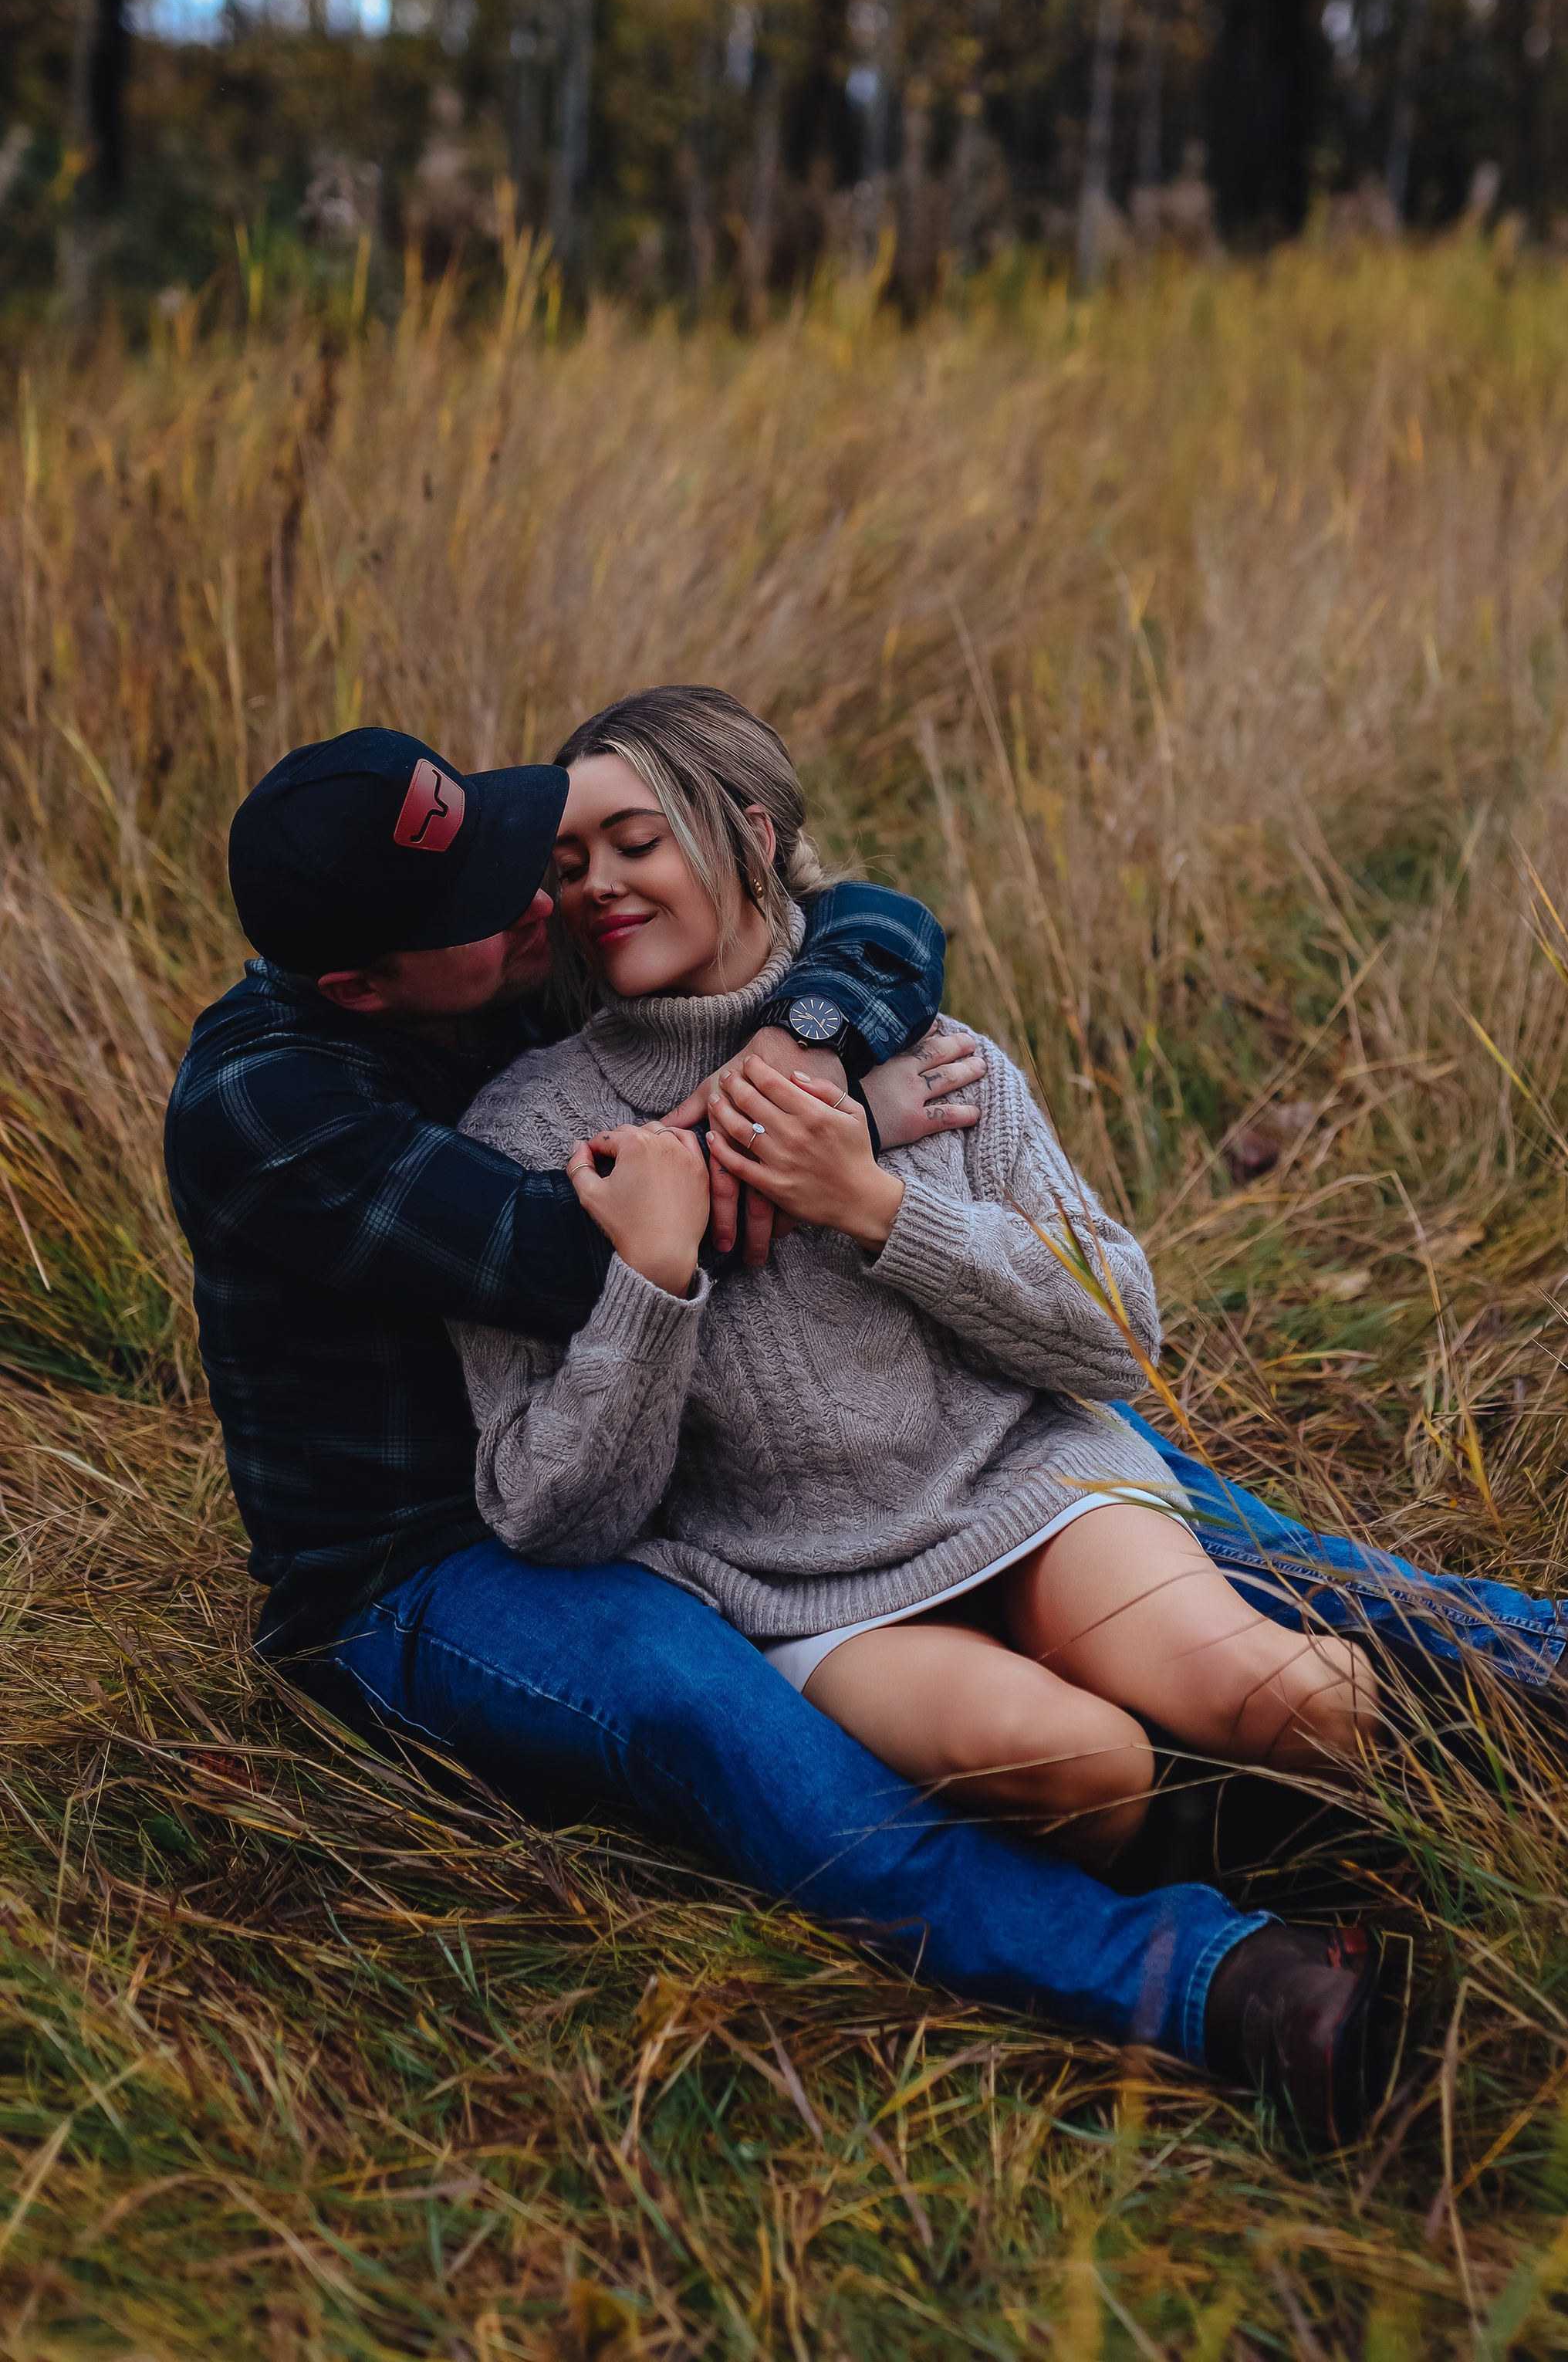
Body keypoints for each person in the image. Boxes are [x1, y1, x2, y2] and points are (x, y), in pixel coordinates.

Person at [164, 722, 1568, 2146]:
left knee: (1109, 1466)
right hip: (433, 1557)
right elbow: (574, 1245)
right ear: (365, 985)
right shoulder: (276, 1110)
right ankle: (1198, 1980)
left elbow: (851, 908)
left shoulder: (519, 968)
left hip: (732, 1421)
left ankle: (1539, 1665)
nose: (542, 906)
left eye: (532, 853)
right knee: (706, 1712)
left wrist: (818, 1023)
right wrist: (828, 1135)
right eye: (502, 899)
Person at [456, 685, 1387, 1876]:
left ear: (752, 839)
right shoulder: (532, 1128)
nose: (596, 886)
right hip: (799, 1585)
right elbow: (549, 1509)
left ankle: (1377, 1847)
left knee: (1295, 1700)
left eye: (636, 843)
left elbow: (1118, 1338)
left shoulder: (931, 1055)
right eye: (570, 863)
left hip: (1030, 1485)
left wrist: (874, 1204)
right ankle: (1218, 1885)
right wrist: (652, 1277)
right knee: (1078, 1764)